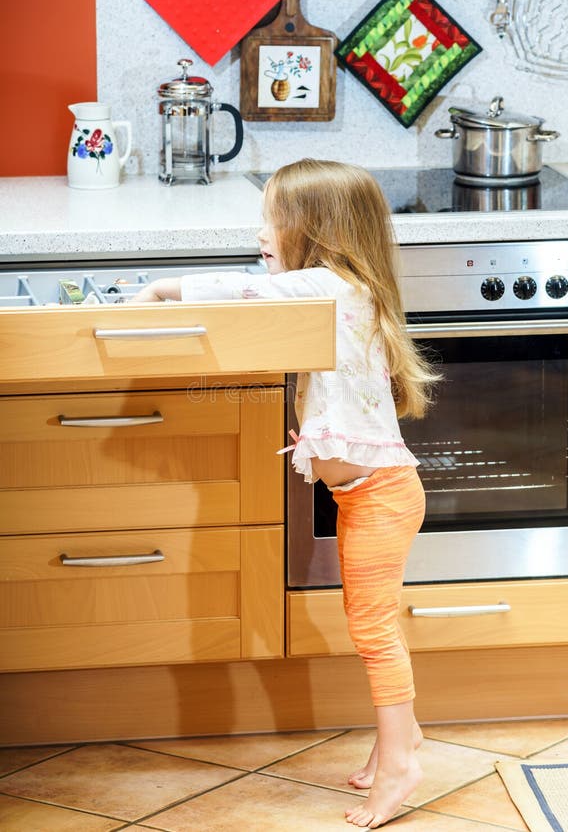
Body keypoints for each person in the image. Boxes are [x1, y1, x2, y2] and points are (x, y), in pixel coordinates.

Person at [133, 158, 440, 828]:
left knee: (374, 630)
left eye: (274, 220)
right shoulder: (340, 290)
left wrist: (159, 291)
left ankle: (401, 764)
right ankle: (402, 739)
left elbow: (242, 292)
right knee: (375, 625)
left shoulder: (334, 288)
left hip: (382, 497)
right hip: (370, 496)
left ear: (316, 229)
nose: (262, 234)